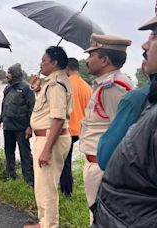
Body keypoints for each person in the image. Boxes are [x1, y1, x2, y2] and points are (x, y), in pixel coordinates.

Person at [92, 14, 157, 227]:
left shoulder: (118, 89)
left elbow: (107, 152)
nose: (145, 45)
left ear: (104, 59)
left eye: (154, 35)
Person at [79, 33, 133, 223]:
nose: (87, 60)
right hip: (95, 163)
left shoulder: (114, 88)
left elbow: (124, 133)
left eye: (91, 55)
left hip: (103, 166)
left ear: (104, 60)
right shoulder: (105, 84)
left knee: (102, 218)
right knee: (96, 216)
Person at [25, 46, 73, 228]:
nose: (41, 63)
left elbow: (58, 118)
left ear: (54, 63)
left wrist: (46, 150)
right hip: (44, 137)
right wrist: (37, 89)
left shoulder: (56, 84)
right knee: (42, 185)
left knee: (47, 188)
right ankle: (44, 222)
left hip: (50, 139)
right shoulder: (51, 82)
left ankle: (50, 225)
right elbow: (46, 110)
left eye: (44, 60)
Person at [0, 63, 35, 185]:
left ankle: (29, 180)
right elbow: (4, 106)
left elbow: (32, 108)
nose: (7, 75)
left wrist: (30, 126)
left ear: (15, 74)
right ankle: (10, 175)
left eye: (9, 72)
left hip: (21, 127)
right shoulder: (7, 88)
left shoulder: (26, 88)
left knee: (25, 154)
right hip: (8, 125)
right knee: (8, 151)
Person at [59, 58, 92, 197]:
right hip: (80, 131)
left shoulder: (66, 85)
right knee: (67, 160)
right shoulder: (87, 87)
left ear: (67, 69)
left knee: (63, 162)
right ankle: (67, 189)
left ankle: (66, 191)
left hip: (66, 129)